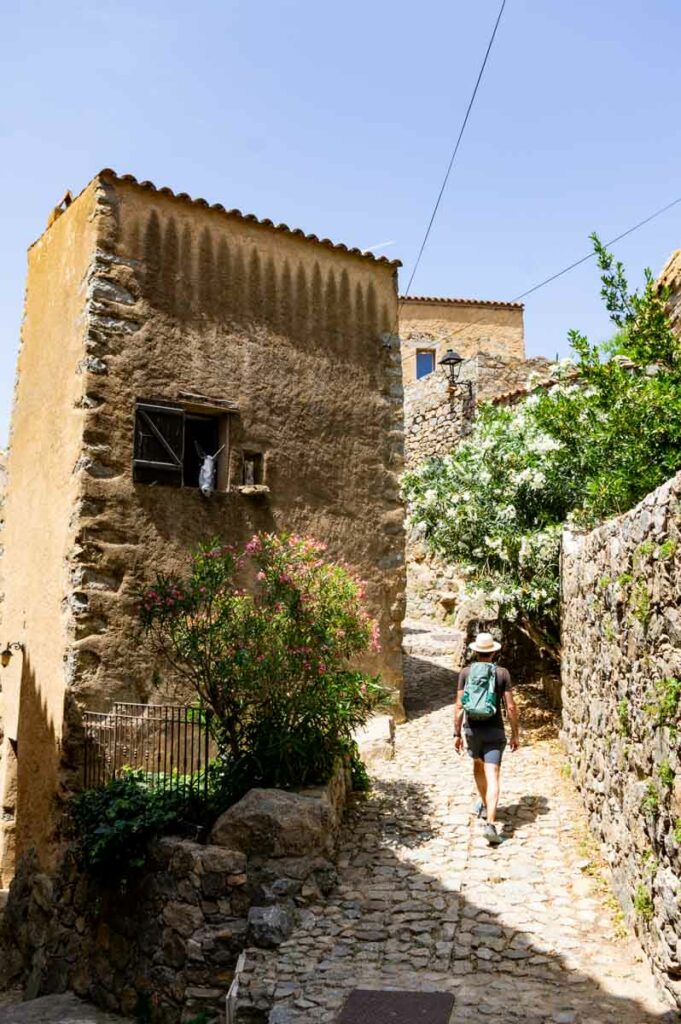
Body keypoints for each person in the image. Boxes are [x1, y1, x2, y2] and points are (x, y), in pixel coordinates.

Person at [453, 632, 520, 845]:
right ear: (494, 652)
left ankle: (483, 804)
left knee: (478, 766)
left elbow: (458, 706)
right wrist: (515, 733)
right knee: (494, 775)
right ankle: (490, 823)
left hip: (472, 730)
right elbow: (510, 707)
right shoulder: (502, 674)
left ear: (475, 651)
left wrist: (456, 733)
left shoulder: (465, 672)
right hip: (495, 731)